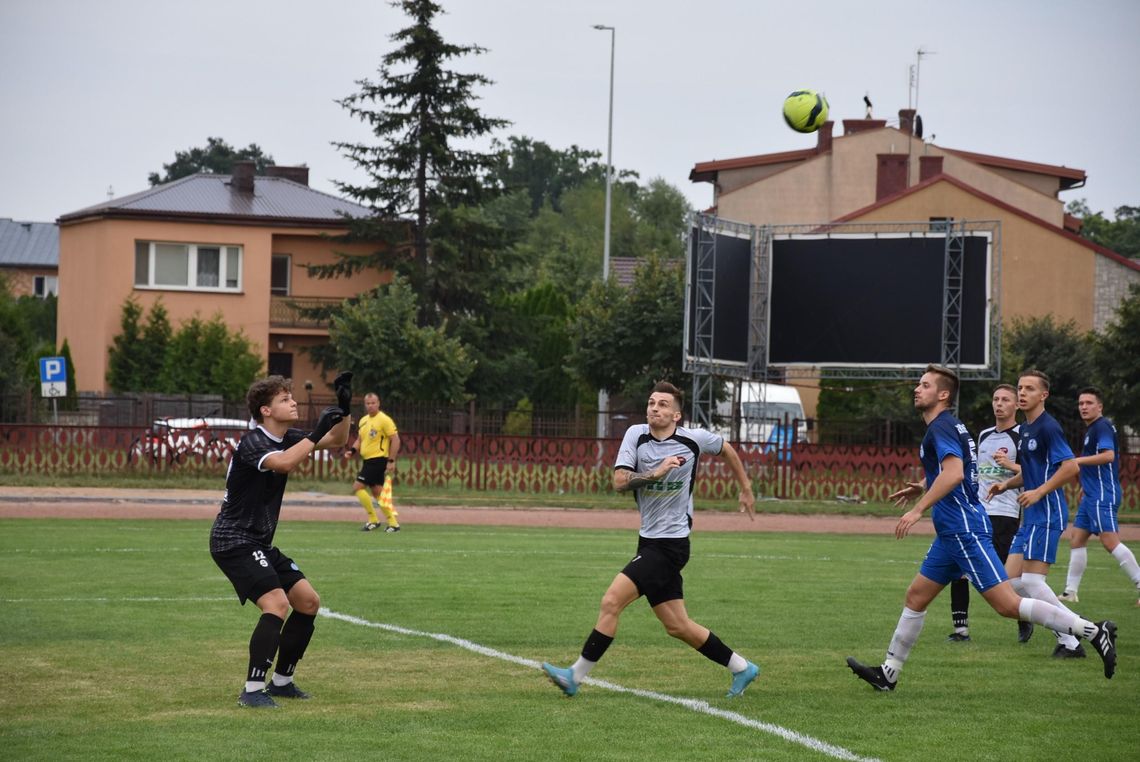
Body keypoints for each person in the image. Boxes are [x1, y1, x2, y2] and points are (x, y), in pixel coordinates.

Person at [847, 365, 1116, 692]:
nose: (917, 389)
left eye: (925, 384)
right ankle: (888, 673)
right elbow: (961, 471)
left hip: (963, 530)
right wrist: (922, 486)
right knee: (916, 596)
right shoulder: (952, 427)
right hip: (951, 533)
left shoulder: (941, 427)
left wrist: (919, 509)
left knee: (1008, 604)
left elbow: (955, 473)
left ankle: (1091, 631)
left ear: (943, 395)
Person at [541, 381, 761, 698]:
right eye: (651, 402)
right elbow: (619, 481)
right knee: (678, 626)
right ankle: (742, 668)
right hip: (648, 542)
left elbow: (726, 449)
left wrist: (745, 487)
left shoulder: (693, 440)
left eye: (662, 404)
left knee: (611, 601)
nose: (654, 408)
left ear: (676, 414)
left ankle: (574, 676)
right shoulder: (636, 435)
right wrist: (655, 473)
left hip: (671, 546)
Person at [209, 373, 352, 708]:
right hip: (233, 539)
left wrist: (345, 409)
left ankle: (282, 682)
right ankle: (252, 690)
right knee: (276, 603)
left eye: (291, 396)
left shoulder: (286, 437)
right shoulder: (254, 442)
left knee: (307, 601)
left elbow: (337, 440)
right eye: (285, 399)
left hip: (258, 541)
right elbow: (285, 463)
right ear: (266, 410)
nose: (293, 402)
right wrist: (316, 433)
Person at [988, 369, 1090, 657]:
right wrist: (1006, 483)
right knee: (1009, 585)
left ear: (1043, 395)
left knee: (1032, 582)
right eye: (1020, 388)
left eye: (1029, 389)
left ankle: (1073, 639)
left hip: (1047, 513)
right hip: (1031, 515)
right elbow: (1033, 473)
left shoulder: (1048, 427)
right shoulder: (1026, 429)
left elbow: (1070, 467)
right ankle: (1079, 631)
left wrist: (1040, 491)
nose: (1022, 393)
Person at [946, 383, 1031, 643]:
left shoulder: (1023, 435)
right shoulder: (983, 436)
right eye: (996, 399)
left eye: (1006, 399)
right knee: (958, 567)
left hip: (1006, 513)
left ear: (1016, 405)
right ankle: (961, 631)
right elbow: (971, 469)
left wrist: (1010, 465)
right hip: (979, 513)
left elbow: (1035, 473)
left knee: (1006, 577)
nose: (999, 404)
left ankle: (1026, 618)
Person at [1059, 387, 1140, 605]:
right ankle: (1070, 592)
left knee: (1109, 541)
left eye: (1088, 403)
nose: (1083, 407)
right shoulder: (1093, 429)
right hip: (1092, 494)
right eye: (1081, 403)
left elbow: (1108, 456)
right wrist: (1086, 483)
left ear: (1100, 406)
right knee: (1076, 538)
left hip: (1103, 494)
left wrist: (1077, 461)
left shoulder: (1102, 426)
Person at [347, 392, 401, 532]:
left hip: (378, 460)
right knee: (378, 493)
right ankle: (393, 523)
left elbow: (395, 439)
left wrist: (391, 460)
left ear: (378, 403)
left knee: (358, 487)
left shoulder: (384, 420)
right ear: (365, 405)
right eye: (368, 403)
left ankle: (373, 519)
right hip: (368, 460)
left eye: (373, 403)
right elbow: (360, 439)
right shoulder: (364, 420)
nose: (370, 406)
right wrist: (352, 451)